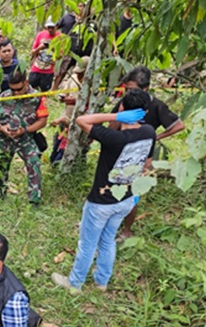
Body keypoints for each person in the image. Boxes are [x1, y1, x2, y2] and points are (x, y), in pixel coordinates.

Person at [52, 88, 156, 293]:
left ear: (124, 108)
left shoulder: (113, 137)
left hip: (101, 201)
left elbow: (82, 120)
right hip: (126, 198)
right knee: (108, 239)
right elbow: (147, 165)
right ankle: (101, 282)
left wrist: (116, 115)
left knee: (88, 243)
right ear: (144, 112)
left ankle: (75, 284)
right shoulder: (149, 132)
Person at [111, 66, 185, 238]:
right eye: (127, 89)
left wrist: (155, 137)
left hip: (141, 156)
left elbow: (179, 125)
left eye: (132, 89)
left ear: (145, 88)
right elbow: (112, 125)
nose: (128, 92)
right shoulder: (125, 102)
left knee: (133, 193)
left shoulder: (157, 106)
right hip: (119, 151)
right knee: (109, 188)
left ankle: (126, 230)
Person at [0, 69, 48, 206]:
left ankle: (34, 200)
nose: (15, 93)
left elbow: (43, 120)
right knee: (0, 168)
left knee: (34, 165)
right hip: (5, 139)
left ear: (26, 83)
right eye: (12, 90)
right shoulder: (4, 96)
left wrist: (25, 130)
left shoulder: (37, 97)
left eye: (19, 89)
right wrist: (1, 128)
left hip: (26, 139)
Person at [49, 56, 88, 164]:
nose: (79, 74)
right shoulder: (73, 78)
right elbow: (63, 94)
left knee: (78, 145)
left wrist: (76, 101)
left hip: (82, 120)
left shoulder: (94, 83)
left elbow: (91, 101)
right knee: (58, 141)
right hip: (67, 115)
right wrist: (63, 97)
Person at [29, 19, 61, 92]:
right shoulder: (40, 35)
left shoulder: (60, 37)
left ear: (56, 26)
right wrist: (39, 48)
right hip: (37, 67)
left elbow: (60, 56)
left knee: (44, 90)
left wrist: (52, 49)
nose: (50, 29)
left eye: (52, 27)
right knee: (32, 87)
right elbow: (32, 52)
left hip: (48, 70)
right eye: (48, 27)